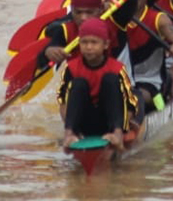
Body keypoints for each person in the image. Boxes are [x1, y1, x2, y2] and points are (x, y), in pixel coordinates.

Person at [57, 17, 139, 151]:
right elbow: (63, 102)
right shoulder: (71, 68)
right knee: (78, 83)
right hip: (84, 121)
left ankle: (116, 134)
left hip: (110, 121)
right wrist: (69, 129)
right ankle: (70, 134)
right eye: (84, 42)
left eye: (94, 42)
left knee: (110, 80)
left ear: (106, 45)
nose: (89, 47)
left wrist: (123, 129)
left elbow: (131, 104)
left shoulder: (117, 68)